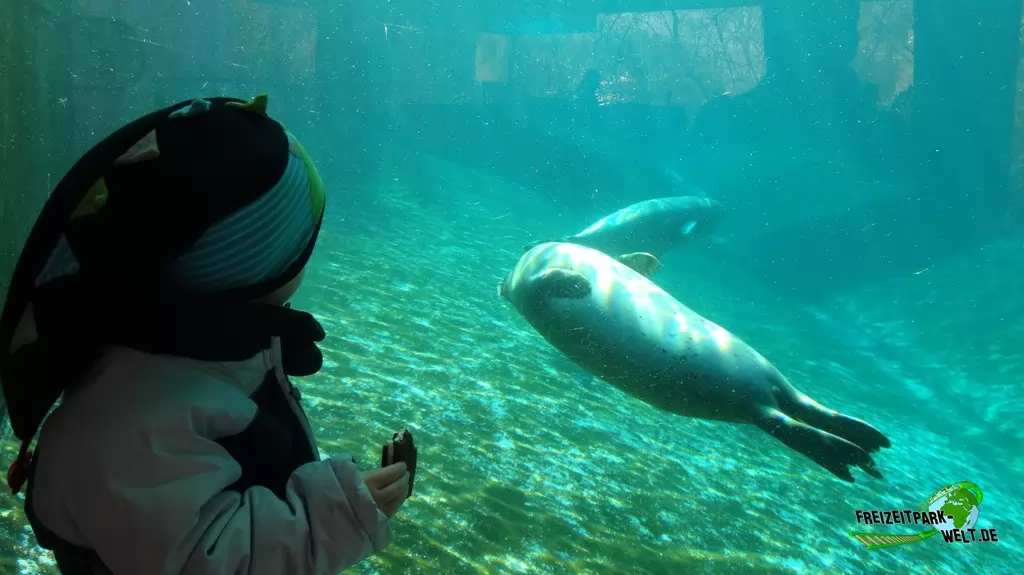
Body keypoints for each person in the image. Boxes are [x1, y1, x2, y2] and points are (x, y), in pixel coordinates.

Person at [0, 94, 411, 574]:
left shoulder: (176, 341)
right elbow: (207, 560)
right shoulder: (131, 417)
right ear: (245, 268)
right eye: (300, 238)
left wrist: (256, 344)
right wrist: (337, 516)